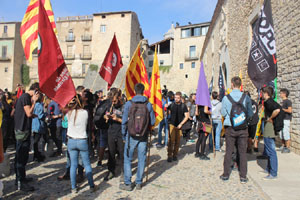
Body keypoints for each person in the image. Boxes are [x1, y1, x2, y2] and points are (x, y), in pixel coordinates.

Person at [120, 83, 155, 191]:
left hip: (131, 135)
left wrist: (123, 134)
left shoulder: (129, 104)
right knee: (141, 159)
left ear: (134, 91)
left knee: (128, 159)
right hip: (143, 135)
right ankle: (139, 182)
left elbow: (124, 121)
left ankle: (128, 183)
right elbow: (153, 121)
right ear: (143, 91)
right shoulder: (148, 104)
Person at [220, 77, 253, 184]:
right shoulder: (246, 97)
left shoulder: (226, 98)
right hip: (243, 128)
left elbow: (223, 113)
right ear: (240, 85)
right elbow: (250, 113)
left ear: (232, 84)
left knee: (229, 151)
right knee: (242, 152)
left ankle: (226, 174)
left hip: (230, 127)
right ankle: (243, 176)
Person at [66, 95, 96, 193]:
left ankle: (73, 187)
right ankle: (91, 185)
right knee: (87, 164)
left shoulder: (69, 113)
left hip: (71, 140)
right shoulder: (85, 113)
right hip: (82, 140)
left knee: (73, 165)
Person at [14, 82, 39, 192]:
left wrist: (32, 115)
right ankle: (21, 182)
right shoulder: (25, 97)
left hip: (23, 129)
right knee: (21, 157)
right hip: (22, 130)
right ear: (36, 90)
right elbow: (28, 113)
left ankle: (21, 178)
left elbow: (26, 114)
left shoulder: (25, 97)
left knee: (22, 157)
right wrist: (34, 101)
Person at [104, 89, 124, 181]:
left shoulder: (124, 107)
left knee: (122, 152)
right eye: (112, 101)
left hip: (121, 132)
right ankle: (111, 170)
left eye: (115, 101)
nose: (113, 103)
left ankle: (124, 171)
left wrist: (117, 119)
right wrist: (106, 116)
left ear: (119, 98)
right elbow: (105, 115)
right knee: (111, 152)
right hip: (111, 131)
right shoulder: (109, 105)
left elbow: (127, 121)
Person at [261, 86, 280, 180]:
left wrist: (270, 118)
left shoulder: (269, 102)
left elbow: (277, 110)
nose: (262, 95)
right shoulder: (269, 101)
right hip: (268, 127)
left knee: (271, 151)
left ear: (266, 93)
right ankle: (268, 169)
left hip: (269, 128)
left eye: (262, 93)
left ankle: (273, 173)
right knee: (268, 150)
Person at [167, 92, 189, 162]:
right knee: (171, 140)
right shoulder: (172, 105)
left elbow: (187, 116)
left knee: (177, 141)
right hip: (172, 124)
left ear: (180, 98)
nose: (176, 99)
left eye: (178, 98)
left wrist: (181, 124)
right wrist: (166, 108)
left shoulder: (183, 106)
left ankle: (175, 155)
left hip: (179, 125)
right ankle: (169, 155)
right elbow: (167, 113)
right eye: (175, 97)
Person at [32, 93, 47, 162]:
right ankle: (38, 155)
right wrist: (46, 114)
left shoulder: (34, 105)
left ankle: (35, 155)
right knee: (38, 141)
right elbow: (41, 116)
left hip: (34, 124)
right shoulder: (40, 106)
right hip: (39, 125)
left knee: (35, 141)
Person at [279, 88, 292, 153]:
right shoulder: (282, 102)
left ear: (284, 94)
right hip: (282, 119)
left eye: (281, 93)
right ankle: (283, 146)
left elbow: (290, 110)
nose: (280, 94)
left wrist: (282, 109)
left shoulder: (288, 101)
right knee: (281, 133)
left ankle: (287, 147)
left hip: (286, 119)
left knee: (286, 132)